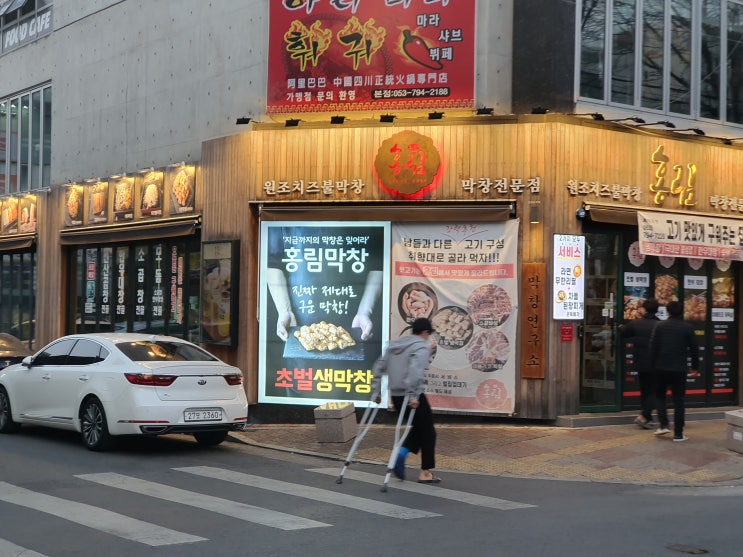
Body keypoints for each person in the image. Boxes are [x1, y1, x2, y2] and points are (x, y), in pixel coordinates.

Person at [371, 317, 439, 483]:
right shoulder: (421, 347)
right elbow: (415, 372)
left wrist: (376, 391)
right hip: (412, 395)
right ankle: (425, 472)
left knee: (419, 427)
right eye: (428, 334)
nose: (428, 337)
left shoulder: (395, 345)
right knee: (428, 431)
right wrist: (414, 396)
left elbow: (379, 366)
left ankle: (402, 453)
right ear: (424, 332)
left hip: (397, 395)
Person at [649, 300, 700, 442]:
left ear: (668, 312)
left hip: (661, 367)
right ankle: (678, 434)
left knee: (660, 396)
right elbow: (694, 350)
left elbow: (653, 348)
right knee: (679, 401)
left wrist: (653, 366)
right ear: (682, 311)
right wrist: (695, 367)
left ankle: (663, 424)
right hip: (679, 369)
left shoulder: (660, 326)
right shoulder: (687, 327)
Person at [620, 298, 660, 429]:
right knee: (653, 391)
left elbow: (624, 332)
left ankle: (647, 417)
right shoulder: (660, 325)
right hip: (656, 363)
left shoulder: (636, 323)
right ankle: (644, 416)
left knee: (644, 390)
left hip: (640, 362)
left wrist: (619, 325)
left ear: (645, 309)